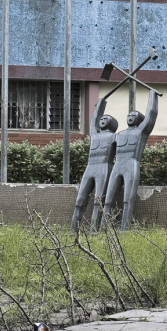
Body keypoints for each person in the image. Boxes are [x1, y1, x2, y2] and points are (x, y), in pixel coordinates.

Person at [99, 89, 159, 231]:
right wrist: (100, 105)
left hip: (131, 165)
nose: (130, 117)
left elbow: (151, 115)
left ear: (139, 119)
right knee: (108, 200)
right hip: (117, 165)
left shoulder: (140, 132)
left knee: (127, 199)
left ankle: (124, 229)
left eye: (133, 115)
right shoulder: (118, 135)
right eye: (129, 115)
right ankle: (102, 228)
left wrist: (153, 95)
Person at [70, 97, 118, 231]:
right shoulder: (95, 134)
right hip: (90, 167)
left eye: (105, 119)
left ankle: (94, 229)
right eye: (102, 119)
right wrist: (101, 103)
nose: (102, 121)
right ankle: (73, 227)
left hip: (104, 167)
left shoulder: (114, 136)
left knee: (98, 201)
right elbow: (93, 120)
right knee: (80, 200)